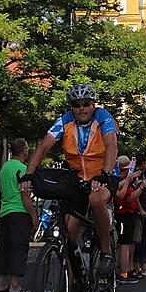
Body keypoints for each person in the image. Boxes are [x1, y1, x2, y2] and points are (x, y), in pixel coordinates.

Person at [23, 83, 118, 276]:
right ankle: (71, 282)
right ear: (71, 107)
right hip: (78, 178)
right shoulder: (65, 120)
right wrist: (28, 175)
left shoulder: (103, 117)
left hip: (103, 174)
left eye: (86, 103)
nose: (82, 108)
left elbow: (111, 145)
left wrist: (105, 173)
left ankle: (106, 251)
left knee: (95, 199)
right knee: (68, 232)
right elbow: (43, 147)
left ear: (93, 104)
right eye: (76, 105)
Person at [0, 138, 37, 292]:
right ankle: (15, 285)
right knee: (19, 247)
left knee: (4, 247)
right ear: (24, 150)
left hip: (5, 211)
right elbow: (25, 195)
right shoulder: (23, 169)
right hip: (19, 212)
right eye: (27, 148)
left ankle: (1, 283)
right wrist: (33, 215)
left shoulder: (4, 167)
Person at [114, 156, 146, 283]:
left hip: (129, 213)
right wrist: (141, 187)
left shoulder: (126, 181)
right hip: (123, 214)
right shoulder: (119, 181)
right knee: (124, 244)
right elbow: (125, 197)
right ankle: (123, 273)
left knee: (128, 243)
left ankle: (127, 270)